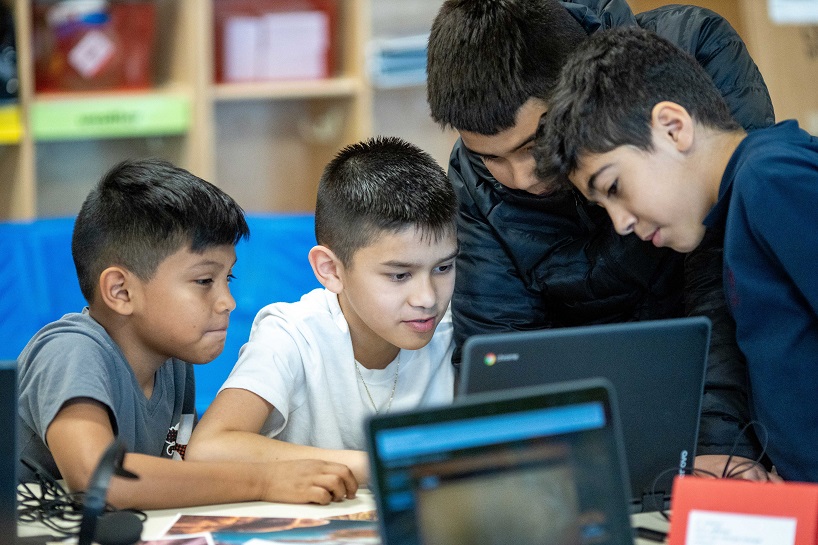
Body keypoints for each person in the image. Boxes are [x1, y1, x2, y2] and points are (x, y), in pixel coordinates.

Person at [425, 0, 775, 480]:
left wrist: (715, 438)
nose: (522, 177)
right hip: (599, 438)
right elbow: (502, 353)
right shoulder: (472, 179)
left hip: (741, 405)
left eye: (534, 143)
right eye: (492, 157)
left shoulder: (690, 50)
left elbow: (731, 265)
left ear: (577, 88)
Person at [535, 26, 818, 482]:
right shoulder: (741, 203)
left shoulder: (770, 178)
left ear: (672, 127)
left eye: (614, 187)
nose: (620, 222)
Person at [16, 159, 358, 509]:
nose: (227, 302)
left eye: (229, 279)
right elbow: (100, 479)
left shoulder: (173, 366)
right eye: (204, 281)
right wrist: (266, 479)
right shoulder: (69, 350)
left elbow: (181, 471)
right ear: (120, 291)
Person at [185, 137, 458, 484]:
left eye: (443, 268)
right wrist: (375, 466)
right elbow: (208, 449)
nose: (427, 297)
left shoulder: (459, 330)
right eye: (399, 275)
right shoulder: (292, 335)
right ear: (330, 269)